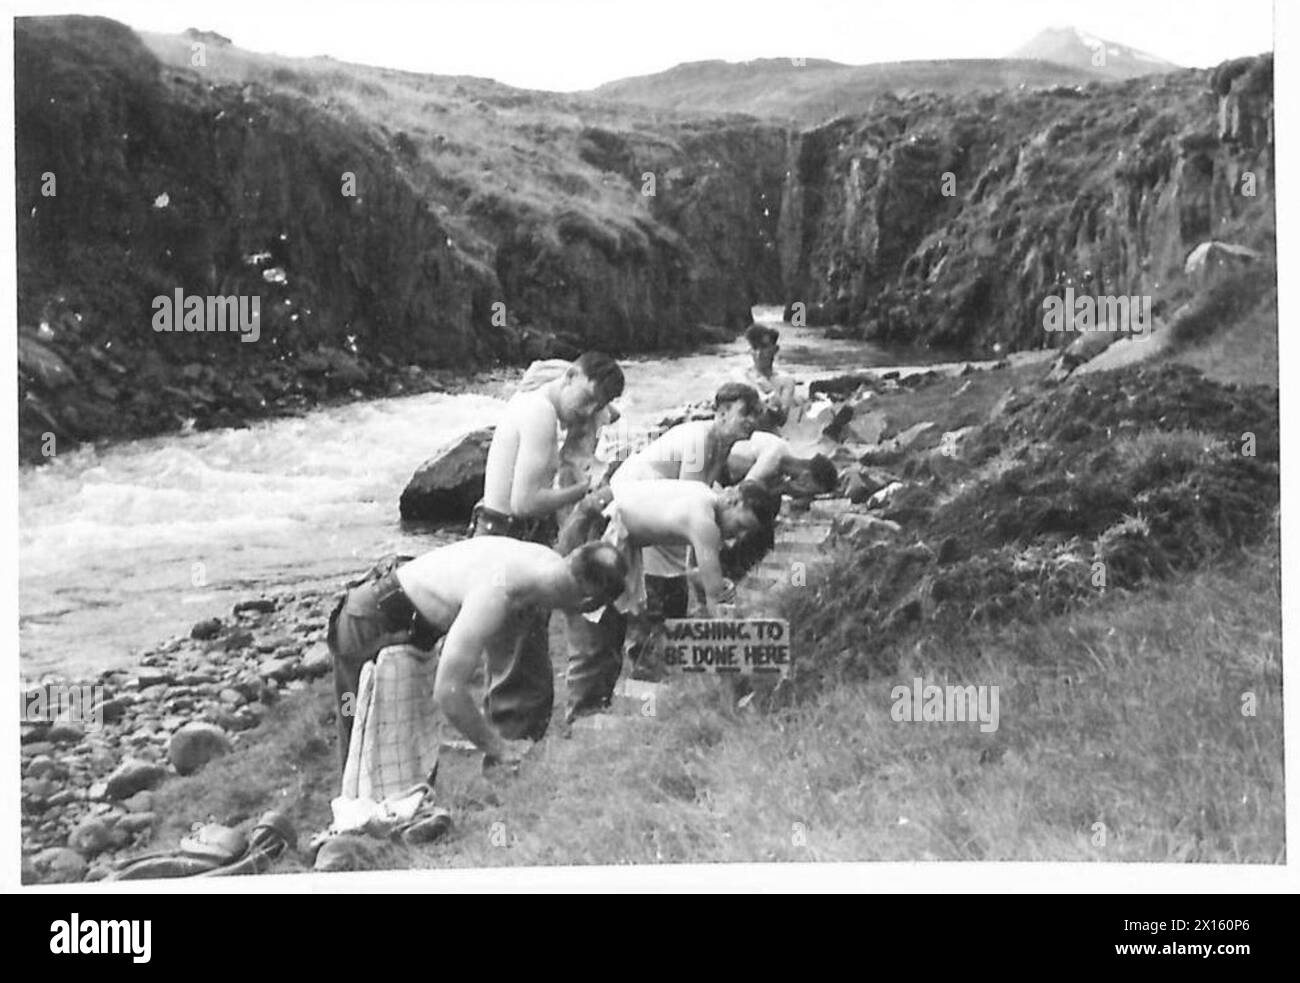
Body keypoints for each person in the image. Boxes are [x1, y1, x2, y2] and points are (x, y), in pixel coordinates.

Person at [327, 538, 628, 770]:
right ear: (587, 600)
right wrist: (498, 748)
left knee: (404, 745)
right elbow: (449, 692)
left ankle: (401, 826)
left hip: (408, 624)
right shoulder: (497, 595)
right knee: (358, 733)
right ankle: (350, 839)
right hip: (366, 624)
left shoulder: (548, 564)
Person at [471, 351, 624, 743]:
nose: (588, 411)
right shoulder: (539, 413)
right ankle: (512, 761)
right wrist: (584, 491)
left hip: (502, 533)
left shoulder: (542, 399)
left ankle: (505, 752)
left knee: (512, 656)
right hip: (508, 534)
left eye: (598, 406)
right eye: (586, 398)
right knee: (523, 670)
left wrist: (596, 410)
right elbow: (526, 500)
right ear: (570, 376)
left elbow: (603, 411)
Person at [561, 479, 780, 720]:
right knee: (594, 627)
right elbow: (716, 599)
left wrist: (712, 587)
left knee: (613, 627)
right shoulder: (704, 522)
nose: (736, 536)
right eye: (739, 525)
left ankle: (595, 711)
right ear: (732, 500)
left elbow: (695, 573)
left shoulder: (702, 498)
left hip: (612, 525)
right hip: (597, 525)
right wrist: (738, 660)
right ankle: (580, 719)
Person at [732, 324, 801, 431]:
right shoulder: (741, 376)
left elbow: (782, 419)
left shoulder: (786, 381)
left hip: (769, 435)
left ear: (775, 349)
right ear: (750, 351)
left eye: (764, 347)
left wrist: (770, 392)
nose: (758, 354)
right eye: (754, 348)